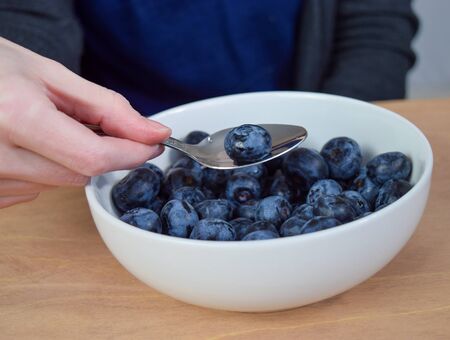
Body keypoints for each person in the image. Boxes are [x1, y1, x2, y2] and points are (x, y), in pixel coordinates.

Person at [0, 0, 418, 209]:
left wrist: (341, 119)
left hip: (310, 111)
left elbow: (372, 22)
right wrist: (25, 91)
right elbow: (25, 15)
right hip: (118, 137)